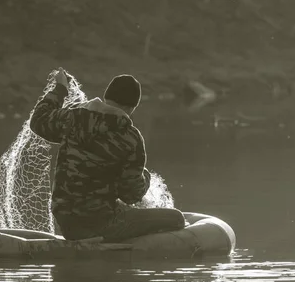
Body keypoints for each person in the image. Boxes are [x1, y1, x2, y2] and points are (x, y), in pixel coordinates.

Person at [30, 68, 185, 242]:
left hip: (65, 220)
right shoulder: (129, 137)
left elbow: (38, 120)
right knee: (176, 218)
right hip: (101, 223)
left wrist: (60, 89)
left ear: (106, 97)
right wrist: (146, 178)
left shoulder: (72, 118)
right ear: (132, 107)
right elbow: (131, 195)